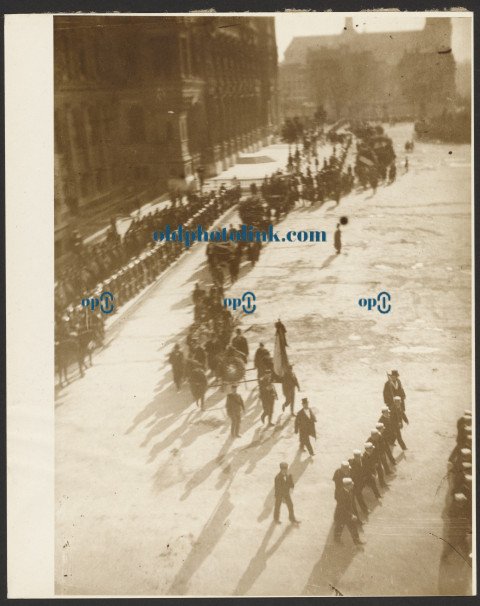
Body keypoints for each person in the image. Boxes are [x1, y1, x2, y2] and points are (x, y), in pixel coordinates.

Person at [333, 478, 365, 545]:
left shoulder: (349, 491)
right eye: (351, 485)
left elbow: (350, 505)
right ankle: (337, 539)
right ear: (347, 486)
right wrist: (351, 515)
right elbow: (342, 508)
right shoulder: (342, 494)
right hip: (341, 514)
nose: (353, 486)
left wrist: (353, 514)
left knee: (353, 527)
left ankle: (356, 541)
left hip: (347, 513)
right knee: (339, 527)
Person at [348, 450, 370, 516]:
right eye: (357, 457)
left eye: (359, 456)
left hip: (359, 483)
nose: (359, 458)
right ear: (354, 456)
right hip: (353, 484)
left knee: (359, 497)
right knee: (355, 499)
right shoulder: (351, 463)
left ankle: (364, 510)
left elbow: (365, 469)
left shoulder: (362, 460)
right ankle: (362, 511)